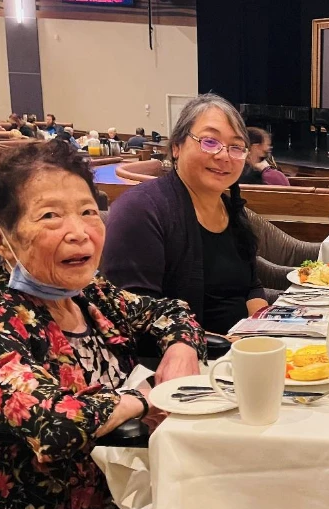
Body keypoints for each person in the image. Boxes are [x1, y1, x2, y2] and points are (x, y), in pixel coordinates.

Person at [0, 139, 205, 509]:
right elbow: (52, 425)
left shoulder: (90, 292)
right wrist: (146, 396)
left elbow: (169, 310)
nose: (79, 232)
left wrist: (181, 347)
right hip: (57, 507)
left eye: (88, 211)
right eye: (50, 216)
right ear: (1, 240)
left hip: (139, 490)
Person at [102, 94, 268, 336]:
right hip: (183, 363)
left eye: (236, 147)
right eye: (210, 142)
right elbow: (136, 319)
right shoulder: (142, 210)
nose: (224, 156)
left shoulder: (231, 209)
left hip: (239, 356)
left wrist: (262, 331)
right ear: (177, 147)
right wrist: (229, 345)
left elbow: (252, 288)